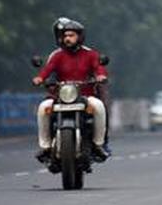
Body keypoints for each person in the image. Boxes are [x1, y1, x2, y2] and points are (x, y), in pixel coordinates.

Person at [32, 17, 110, 162]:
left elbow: (99, 68)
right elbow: (47, 70)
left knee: (99, 107)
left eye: (71, 35)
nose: (67, 38)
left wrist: (101, 76)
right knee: (43, 108)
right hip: (60, 97)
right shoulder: (57, 55)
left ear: (79, 37)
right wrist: (40, 78)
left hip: (85, 95)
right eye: (65, 35)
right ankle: (46, 146)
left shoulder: (91, 54)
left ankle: (98, 145)